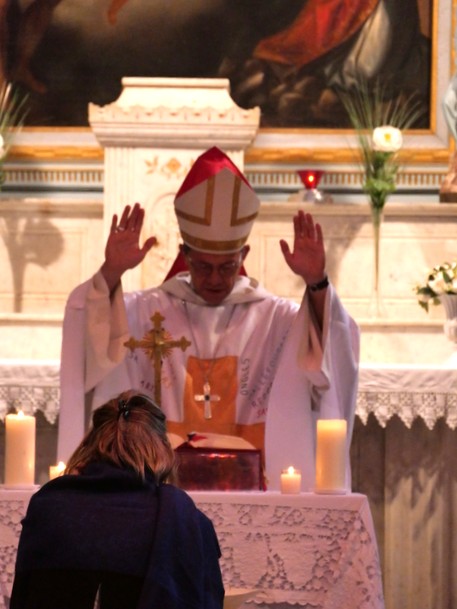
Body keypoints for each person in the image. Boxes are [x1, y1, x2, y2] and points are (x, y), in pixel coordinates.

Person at [58, 146, 360, 490]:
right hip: (161, 486)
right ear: (184, 255)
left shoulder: (275, 319)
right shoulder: (147, 312)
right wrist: (111, 272)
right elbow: (88, 324)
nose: (215, 278)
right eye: (203, 266)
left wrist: (316, 282)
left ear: (244, 255)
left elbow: (334, 341)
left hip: (255, 489)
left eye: (226, 266)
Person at [10, 391, 224, 609]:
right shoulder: (188, 523)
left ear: (91, 443)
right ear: (162, 449)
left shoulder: (49, 506)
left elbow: (24, 598)